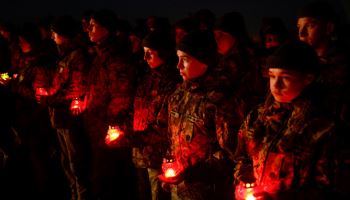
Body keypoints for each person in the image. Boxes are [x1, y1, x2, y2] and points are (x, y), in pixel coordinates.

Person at [234, 41, 337, 200]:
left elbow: (329, 187)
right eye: (272, 76)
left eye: (286, 77)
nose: (276, 85)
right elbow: (242, 156)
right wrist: (245, 182)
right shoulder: (259, 115)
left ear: (308, 79)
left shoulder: (323, 126)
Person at [159, 30, 244, 200]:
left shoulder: (221, 100)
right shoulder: (178, 95)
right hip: (180, 188)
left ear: (205, 62)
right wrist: (169, 167)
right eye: (178, 58)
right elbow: (172, 139)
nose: (178, 66)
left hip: (209, 191)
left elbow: (230, 154)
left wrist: (191, 173)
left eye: (185, 60)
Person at [84, 9, 137, 200]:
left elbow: (121, 97)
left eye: (93, 25)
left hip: (109, 133)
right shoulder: (101, 55)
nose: (88, 29)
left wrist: (111, 129)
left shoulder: (116, 59)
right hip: (97, 128)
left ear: (106, 29)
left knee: (108, 181)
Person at [39, 15, 92, 200]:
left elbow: (76, 88)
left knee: (76, 162)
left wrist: (49, 98)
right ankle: (74, 193)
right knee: (67, 162)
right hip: (60, 117)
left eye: (55, 32)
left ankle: (82, 195)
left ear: (64, 34)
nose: (52, 36)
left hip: (70, 118)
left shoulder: (77, 56)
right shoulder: (63, 55)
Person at [130, 30, 180, 200]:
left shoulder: (173, 82)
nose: (145, 59)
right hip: (141, 153)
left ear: (163, 53)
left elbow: (165, 125)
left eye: (149, 53)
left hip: (158, 155)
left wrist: (135, 138)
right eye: (144, 53)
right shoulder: (147, 78)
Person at [297, 1, 350, 124]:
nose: (301, 33)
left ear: (329, 28)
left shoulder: (343, 66)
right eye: (299, 26)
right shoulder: (300, 63)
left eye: (309, 25)